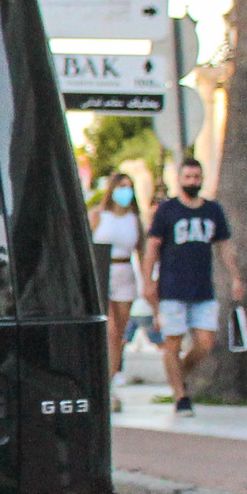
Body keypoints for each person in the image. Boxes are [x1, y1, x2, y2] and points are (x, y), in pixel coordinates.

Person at [142, 156, 245, 418]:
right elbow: (152, 247)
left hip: (202, 288)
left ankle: (179, 375)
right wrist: (148, 281)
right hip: (172, 287)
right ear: (179, 179)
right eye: (188, 177)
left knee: (206, 341)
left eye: (197, 177)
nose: (193, 182)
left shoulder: (213, 211)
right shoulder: (167, 211)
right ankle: (181, 396)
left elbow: (224, 245)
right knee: (172, 342)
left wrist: (235, 277)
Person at [89, 173, 144, 410]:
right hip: (103, 270)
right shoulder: (98, 216)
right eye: (121, 187)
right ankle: (102, 385)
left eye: (129, 188)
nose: (125, 192)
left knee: (118, 334)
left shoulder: (134, 219)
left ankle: (110, 381)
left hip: (125, 272)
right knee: (109, 329)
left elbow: (141, 251)